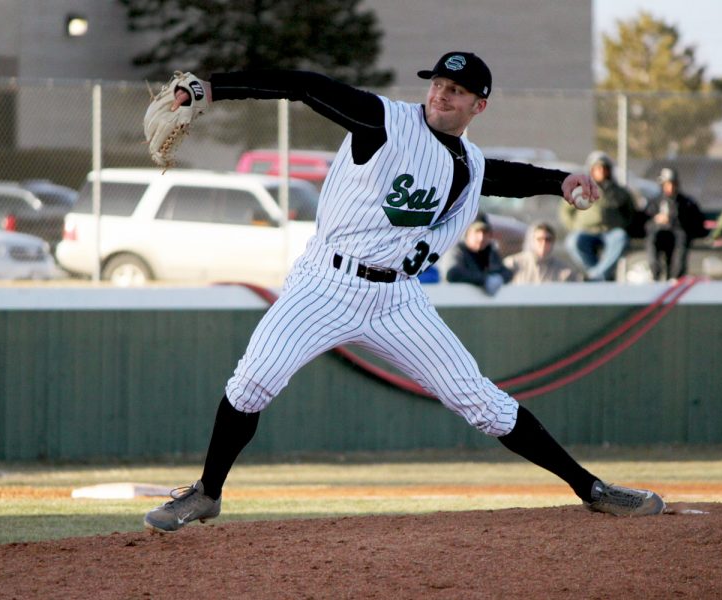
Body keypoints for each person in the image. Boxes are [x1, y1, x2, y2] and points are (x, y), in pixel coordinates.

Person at [144, 52, 664, 533]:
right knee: (252, 382)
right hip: (325, 284)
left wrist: (559, 181)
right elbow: (303, 85)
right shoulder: (383, 120)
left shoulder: (467, 163)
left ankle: (590, 488)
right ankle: (207, 492)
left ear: (478, 105)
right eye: (438, 83)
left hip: (398, 299)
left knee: (485, 404)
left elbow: (499, 175)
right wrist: (212, 90)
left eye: (456, 90)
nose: (441, 94)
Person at [560, 152, 637, 281]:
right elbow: (565, 211)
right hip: (586, 231)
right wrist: (573, 226)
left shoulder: (619, 192)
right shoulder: (580, 189)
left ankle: (595, 276)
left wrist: (623, 223)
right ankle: (599, 275)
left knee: (621, 238)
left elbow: (629, 212)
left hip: (610, 231)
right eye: (597, 168)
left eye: (604, 168)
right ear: (591, 170)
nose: (601, 171)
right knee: (572, 241)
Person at [643, 167, 706, 281]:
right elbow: (644, 221)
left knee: (681, 240)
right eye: (667, 184)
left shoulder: (685, 203)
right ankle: (655, 275)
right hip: (660, 236)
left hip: (678, 236)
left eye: (673, 184)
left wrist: (673, 219)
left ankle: (676, 277)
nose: (670, 188)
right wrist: (656, 220)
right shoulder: (655, 202)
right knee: (652, 240)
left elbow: (696, 222)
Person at [446, 213, 513, 294]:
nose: (481, 237)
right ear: (467, 234)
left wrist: (499, 278)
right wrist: (484, 280)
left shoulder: (490, 252)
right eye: (477, 232)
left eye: (485, 232)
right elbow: (453, 274)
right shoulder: (457, 250)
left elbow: (507, 272)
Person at [503, 222, 580, 283]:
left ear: (553, 242)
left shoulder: (564, 270)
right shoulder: (513, 263)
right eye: (539, 239)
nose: (543, 244)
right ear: (532, 241)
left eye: (548, 240)